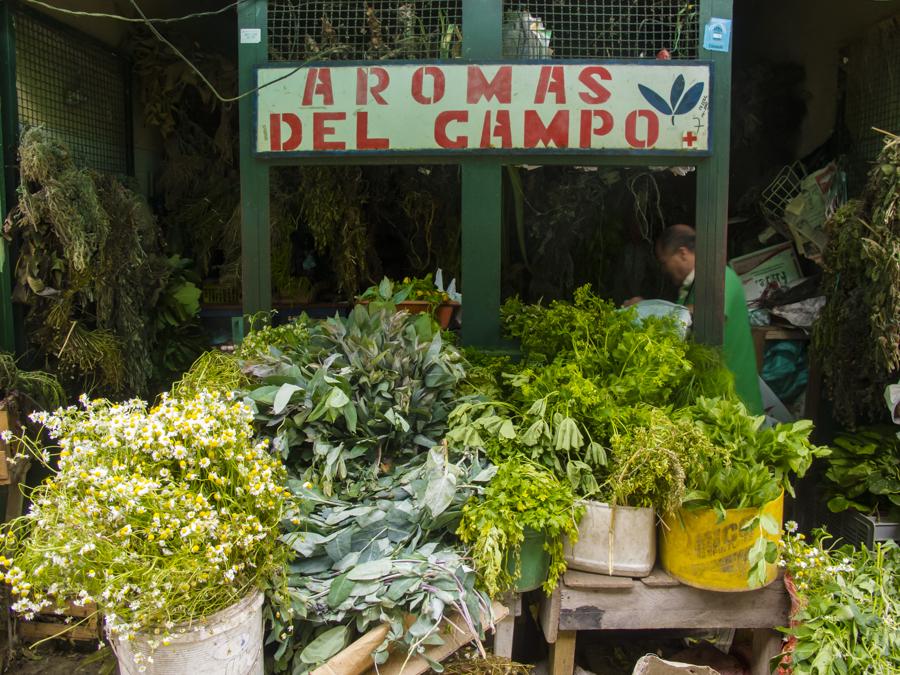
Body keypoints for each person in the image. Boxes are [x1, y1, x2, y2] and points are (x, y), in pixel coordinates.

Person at [625, 224, 763, 414]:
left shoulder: (721, 277)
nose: (664, 269)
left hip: (736, 402)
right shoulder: (690, 288)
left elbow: (704, 314)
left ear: (682, 253)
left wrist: (644, 310)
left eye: (665, 262)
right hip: (713, 400)